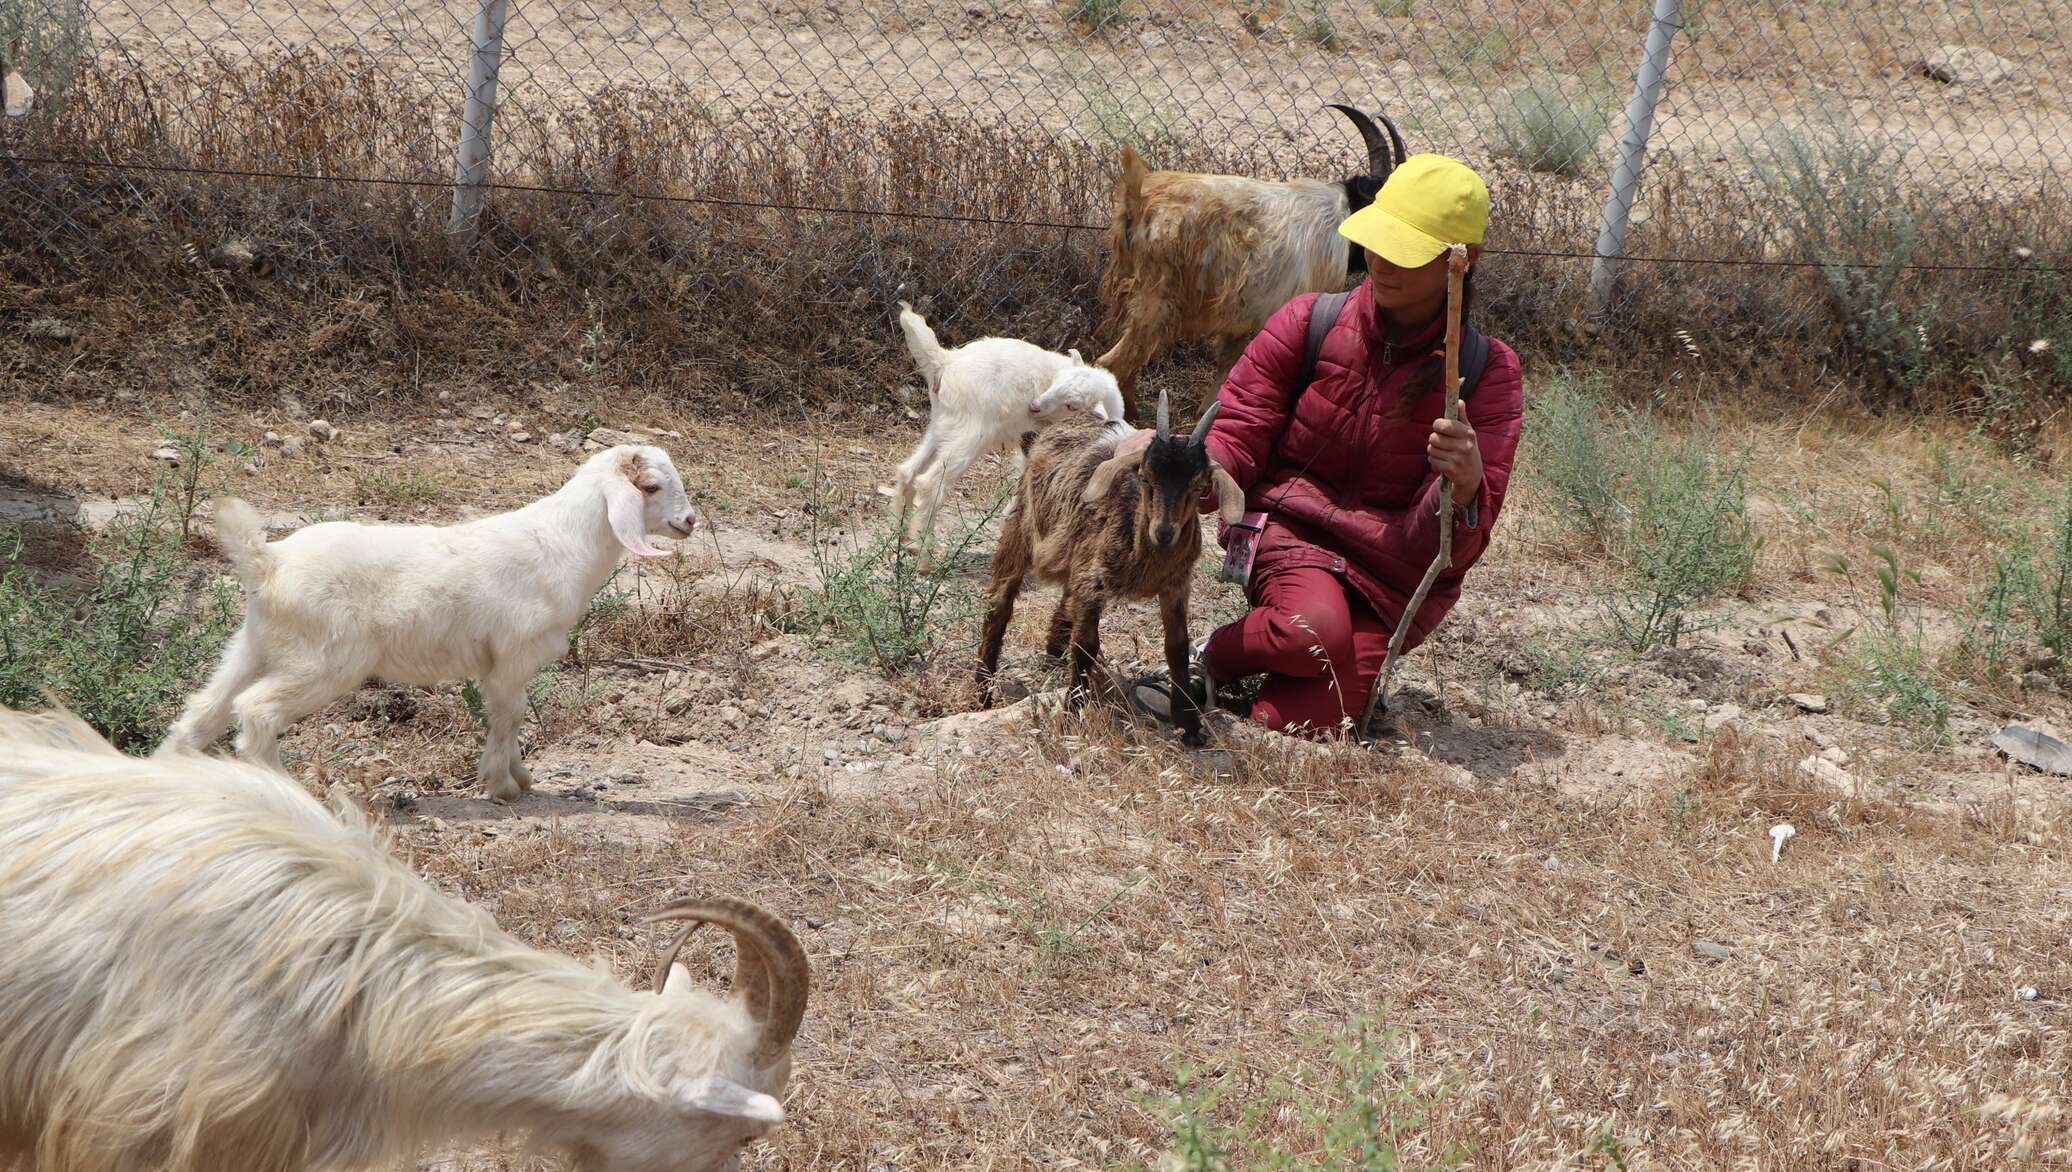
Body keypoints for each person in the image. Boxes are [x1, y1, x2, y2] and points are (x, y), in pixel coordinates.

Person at [1130, 154, 1523, 741]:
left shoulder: (1487, 373)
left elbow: (1454, 548)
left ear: (1462, 263)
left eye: (1407, 250)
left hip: (1389, 580)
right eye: (1379, 241)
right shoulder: (1310, 319)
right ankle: (1208, 659)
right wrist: (1197, 466)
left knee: (1302, 723)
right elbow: (1240, 426)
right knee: (1314, 631)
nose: (1382, 263)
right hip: (1292, 534)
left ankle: (1275, 663)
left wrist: (1464, 486)